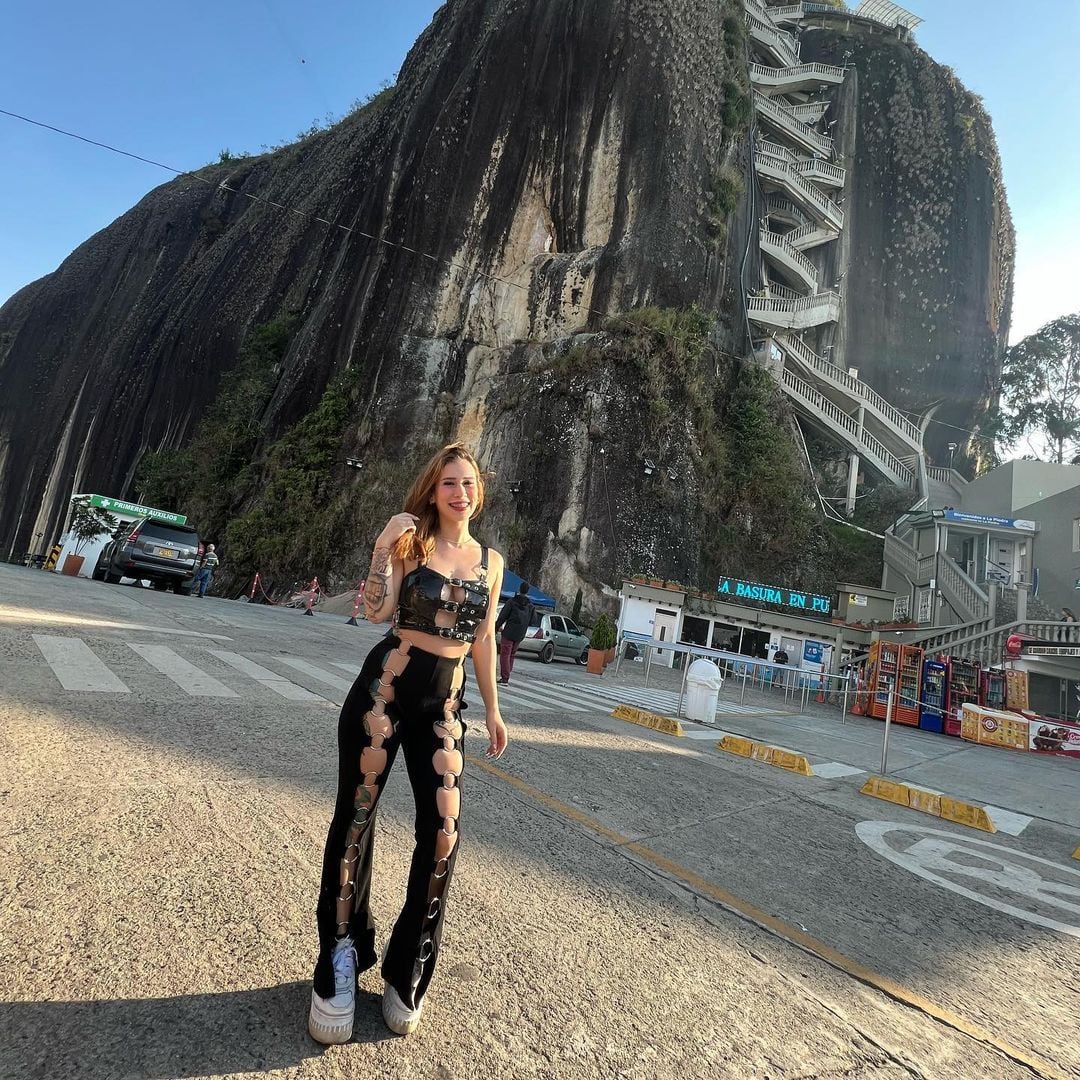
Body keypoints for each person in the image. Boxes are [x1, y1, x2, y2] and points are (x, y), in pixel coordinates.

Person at [308, 443, 507, 1044]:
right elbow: (377, 611)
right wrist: (380, 547)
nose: (459, 493)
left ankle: (409, 964)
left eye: (467, 483)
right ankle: (339, 958)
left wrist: (494, 711)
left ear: (478, 491)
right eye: (448, 482)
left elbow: (483, 641)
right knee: (356, 819)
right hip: (385, 690)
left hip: (445, 703)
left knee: (444, 832)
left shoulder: (491, 562)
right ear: (432, 490)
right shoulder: (410, 543)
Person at [494, 581, 534, 684]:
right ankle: (507, 673)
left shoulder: (511, 602)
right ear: (527, 591)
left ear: (519, 589)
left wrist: (496, 627)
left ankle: (505, 678)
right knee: (512, 654)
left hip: (509, 632)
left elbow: (503, 616)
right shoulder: (530, 606)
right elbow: (533, 620)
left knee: (505, 654)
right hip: (520, 634)